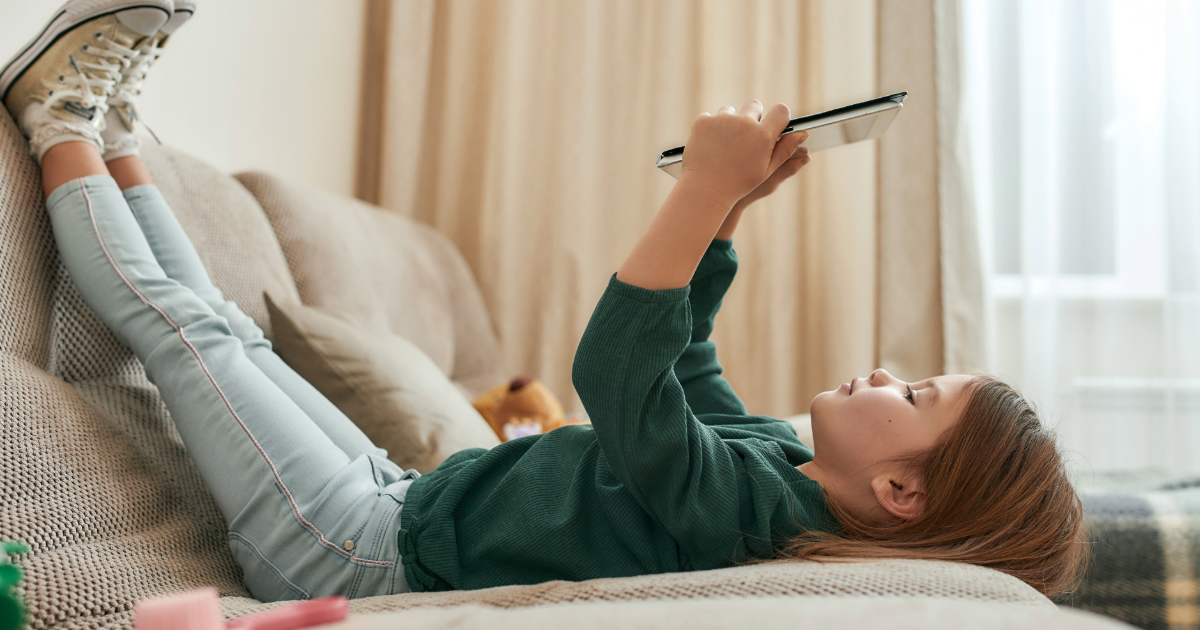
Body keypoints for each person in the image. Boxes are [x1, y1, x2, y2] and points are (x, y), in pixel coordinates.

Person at [2, 0, 1086, 603]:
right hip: (405, 505)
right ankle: (116, 134)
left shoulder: (750, 519)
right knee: (226, 330)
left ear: (900, 490)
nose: (889, 372)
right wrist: (727, 215)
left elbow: (618, 376)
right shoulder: (781, 467)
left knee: (191, 332)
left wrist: (703, 186)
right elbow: (685, 367)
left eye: (917, 393)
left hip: (356, 550)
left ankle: (54, 114)